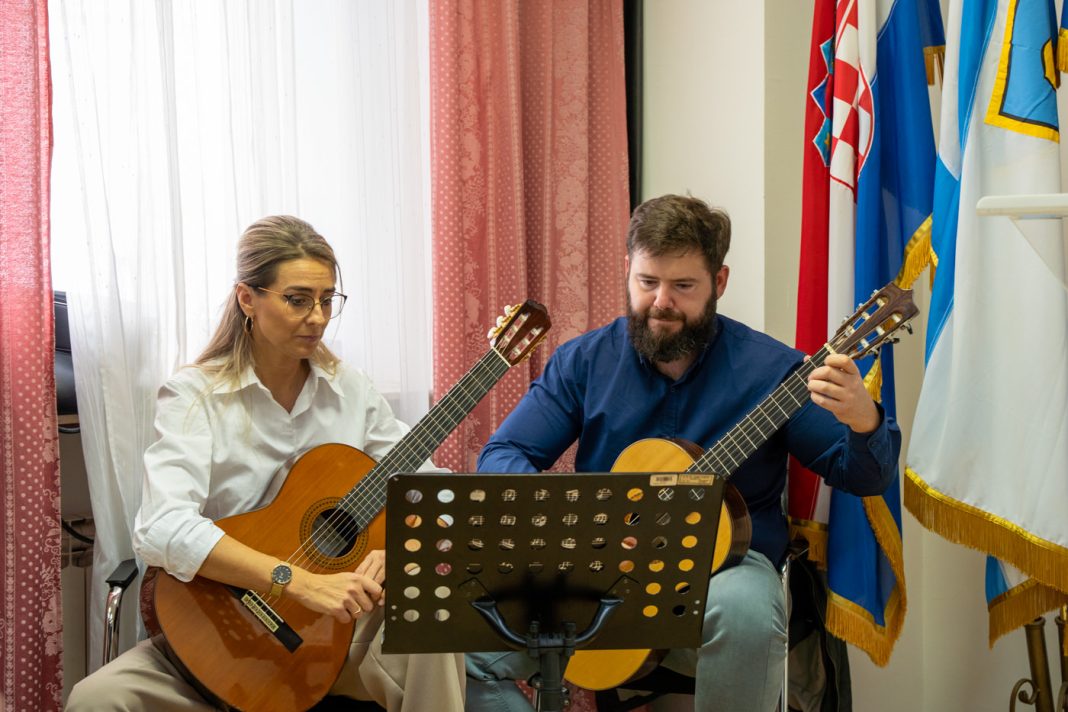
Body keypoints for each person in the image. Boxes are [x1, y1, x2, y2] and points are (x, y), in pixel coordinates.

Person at [464, 194, 900, 711]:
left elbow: (862, 476)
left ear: (719, 282)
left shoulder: (773, 371)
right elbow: (504, 455)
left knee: (746, 613)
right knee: (466, 650)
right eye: (647, 282)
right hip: (604, 569)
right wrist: (575, 519)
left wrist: (864, 420)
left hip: (727, 571)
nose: (661, 302)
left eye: (683, 286)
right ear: (628, 270)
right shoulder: (583, 362)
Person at [67, 216, 465, 711]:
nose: (317, 317)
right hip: (223, 629)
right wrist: (296, 582)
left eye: (327, 300)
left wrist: (399, 547)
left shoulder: (351, 391)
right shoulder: (195, 397)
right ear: (247, 298)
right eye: (298, 299)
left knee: (433, 615)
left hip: (335, 637)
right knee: (96, 699)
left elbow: (430, 492)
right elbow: (162, 527)